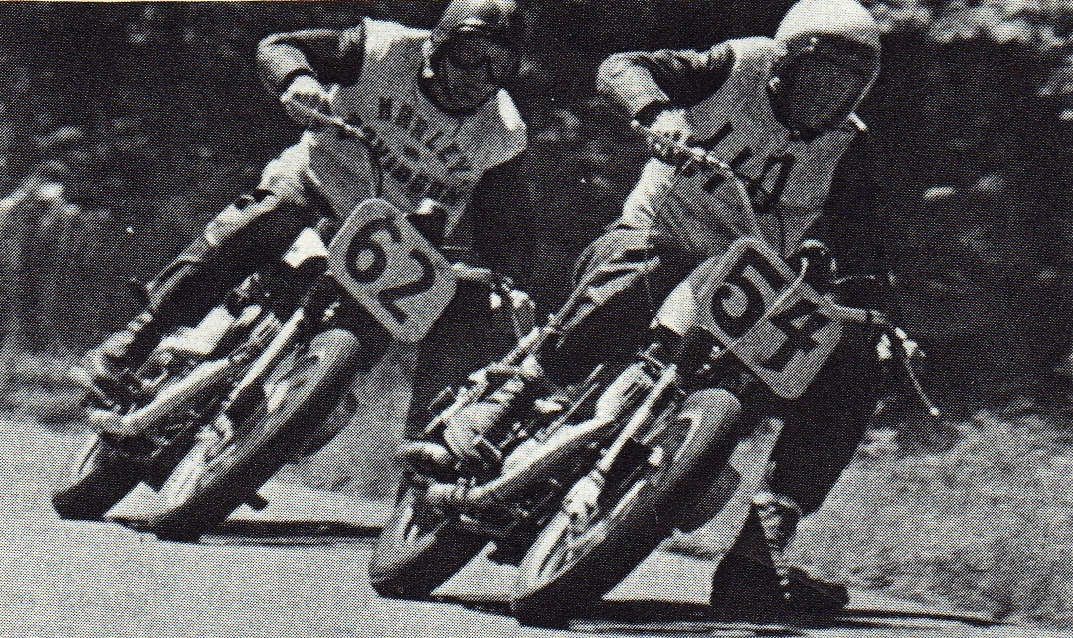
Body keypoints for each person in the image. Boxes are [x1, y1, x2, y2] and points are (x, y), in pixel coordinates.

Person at [544, 0, 883, 621]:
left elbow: (865, 237)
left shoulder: (850, 144)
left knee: (855, 369)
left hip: (752, 284)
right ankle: (521, 392)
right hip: (666, 237)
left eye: (849, 79)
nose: (831, 90)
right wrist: (659, 113)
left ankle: (761, 552)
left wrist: (869, 304)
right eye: (821, 70)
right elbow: (621, 65)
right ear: (785, 62)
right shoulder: (736, 66)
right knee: (620, 293)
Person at [72, 0, 532, 440]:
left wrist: (506, 278)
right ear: (440, 45)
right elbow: (281, 46)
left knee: (389, 327)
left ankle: (301, 423)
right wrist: (296, 79)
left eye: (498, 67)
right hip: (317, 183)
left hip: (396, 241)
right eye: (471, 57)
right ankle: (136, 340)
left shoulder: (504, 134)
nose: (480, 78)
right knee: (267, 220)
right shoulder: (384, 49)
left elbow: (506, 221)